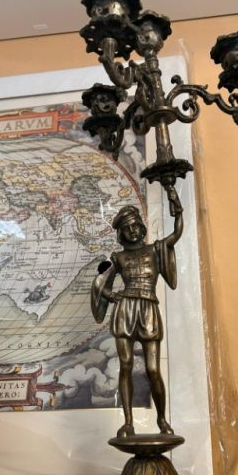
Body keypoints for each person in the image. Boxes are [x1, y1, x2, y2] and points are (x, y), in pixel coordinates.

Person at [91, 186, 183, 438]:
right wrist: (113, 296)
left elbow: (177, 232)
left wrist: (176, 202)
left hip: (149, 309)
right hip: (125, 310)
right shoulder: (118, 257)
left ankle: (162, 420)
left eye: (135, 226)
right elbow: (99, 283)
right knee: (126, 365)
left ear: (142, 228)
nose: (132, 230)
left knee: (153, 369)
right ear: (121, 233)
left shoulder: (156, 249)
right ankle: (128, 423)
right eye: (127, 228)